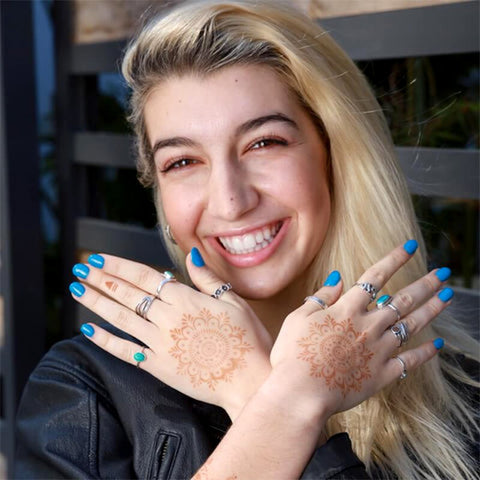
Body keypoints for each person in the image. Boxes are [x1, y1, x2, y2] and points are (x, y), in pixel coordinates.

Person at [16, 1, 478, 478]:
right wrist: (284, 406)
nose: (230, 202)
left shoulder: (463, 399)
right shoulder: (84, 393)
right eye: (183, 162)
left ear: (334, 154)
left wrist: (263, 394)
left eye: (264, 143)